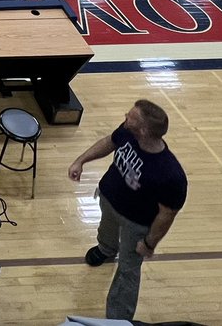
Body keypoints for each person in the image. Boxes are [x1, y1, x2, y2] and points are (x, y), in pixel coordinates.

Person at [68, 100, 188, 322]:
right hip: (109, 201)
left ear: (143, 130)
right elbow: (109, 142)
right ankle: (105, 249)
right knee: (106, 231)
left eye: (130, 116)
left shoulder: (170, 175)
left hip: (136, 224)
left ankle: (118, 320)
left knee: (128, 271)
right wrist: (81, 160)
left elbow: (167, 214)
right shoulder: (128, 132)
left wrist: (149, 243)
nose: (125, 116)